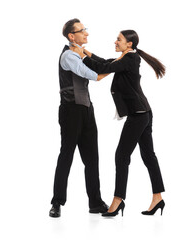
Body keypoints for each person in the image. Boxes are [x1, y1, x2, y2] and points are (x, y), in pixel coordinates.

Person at [71, 30, 166, 217]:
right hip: (143, 112)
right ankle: (158, 198)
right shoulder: (126, 58)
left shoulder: (130, 59)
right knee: (148, 156)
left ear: (129, 44)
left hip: (139, 115)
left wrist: (82, 57)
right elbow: (106, 62)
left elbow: (102, 68)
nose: (115, 42)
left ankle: (118, 200)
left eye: (119, 39)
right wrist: (87, 53)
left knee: (121, 156)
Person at [49, 18, 108, 218]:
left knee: (92, 159)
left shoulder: (80, 54)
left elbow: (96, 65)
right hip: (70, 111)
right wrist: (118, 67)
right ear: (71, 36)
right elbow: (91, 73)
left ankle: (95, 202)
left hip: (86, 110)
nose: (87, 34)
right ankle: (57, 203)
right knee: (66, 156)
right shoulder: (68, 56)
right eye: (83, 31)